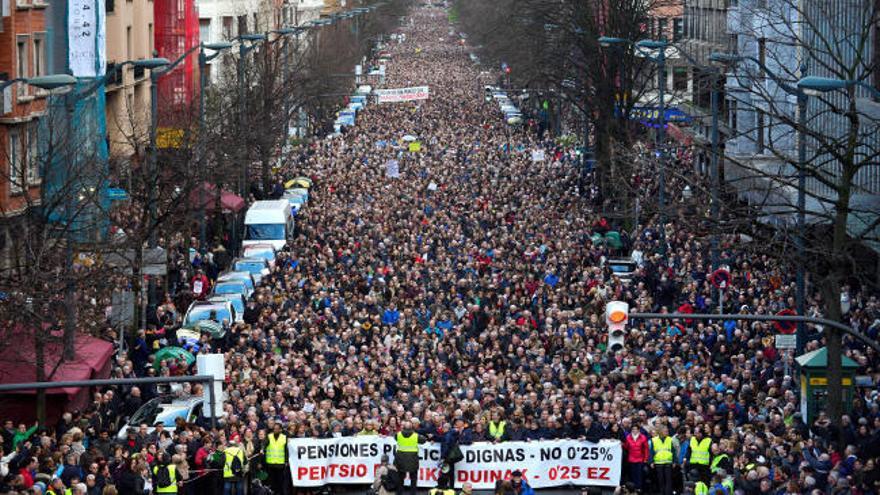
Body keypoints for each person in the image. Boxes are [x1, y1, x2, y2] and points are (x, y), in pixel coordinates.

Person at [395, 420, 424, 495]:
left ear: (403, 427)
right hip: (412, 460)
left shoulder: (398, 434)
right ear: (412, 427)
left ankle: (399, 493)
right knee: (413, 479)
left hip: (400, 460)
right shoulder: (416, 435)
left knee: (400, 479)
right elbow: (423, 440)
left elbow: (395, 438)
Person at [265, 423, 288, 495]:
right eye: (274, 428)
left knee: (280, 481)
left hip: (280, 464)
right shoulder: (269, 436)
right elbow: (264, 443)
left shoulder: (284, 437)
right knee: (272, 481)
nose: (275, 430)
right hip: (270, 463)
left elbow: (286, 450)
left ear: (280, 430)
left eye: (277, 428)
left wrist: (286, 460)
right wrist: (262, 448)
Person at [651, 425, 675, 495]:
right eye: (665, 431)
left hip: (668, 462)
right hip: (658, 462)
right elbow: (651, 451)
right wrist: (651, 461)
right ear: (661, 432)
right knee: (660, 480)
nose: (667, 432)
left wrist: (674, 461)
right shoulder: (654, 440)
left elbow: (673, 451)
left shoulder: (670, 439)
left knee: (668, 481)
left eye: (667, 431)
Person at [624, 425, 649, 491]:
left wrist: (646, 458)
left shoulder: (643, 437)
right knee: (632, 475)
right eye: (633, 429)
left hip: (640, 459)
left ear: (638, 430)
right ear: (631, 430)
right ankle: (633, 489)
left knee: (639, 475)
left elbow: (646, 449)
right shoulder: (628, 437)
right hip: (631, 459)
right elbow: (626, 447)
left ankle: (639, 489)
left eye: (636, 429)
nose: (634, 430)